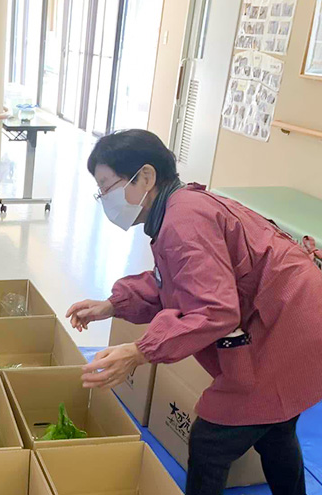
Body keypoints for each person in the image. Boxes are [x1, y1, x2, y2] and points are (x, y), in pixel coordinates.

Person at [66, 129, 322, 495]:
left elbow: (214, 310)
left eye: (108, 187)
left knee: (211, 441)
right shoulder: (180, 207)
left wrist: (140, 351)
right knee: (275, 427)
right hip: (299, 317)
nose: (105, 199)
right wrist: (113, 304)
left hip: (291, 327)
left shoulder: (184, 221)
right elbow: (172, 281)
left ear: (146, 177)